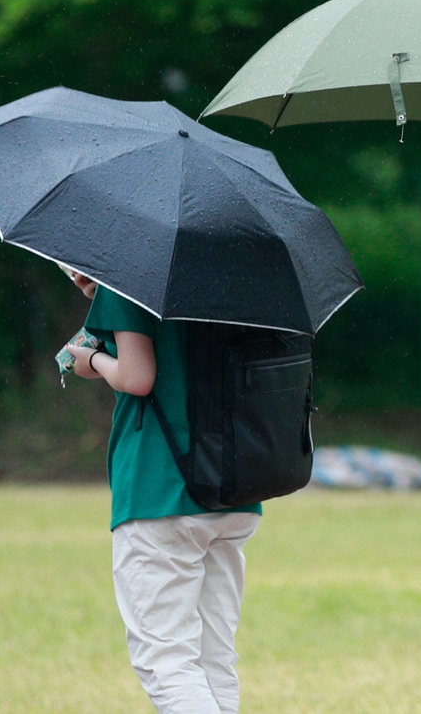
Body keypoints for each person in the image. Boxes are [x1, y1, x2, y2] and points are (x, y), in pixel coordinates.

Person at [64, 271, 261, 714]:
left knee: (168, 663)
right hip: (235, 484)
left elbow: (137, 377)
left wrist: (90, 361)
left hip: (161, 487)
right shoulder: (238, 271)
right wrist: (100, 296)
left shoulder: (129, 275)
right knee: (214, 659)